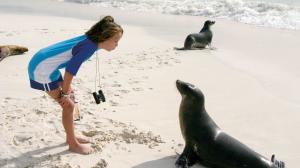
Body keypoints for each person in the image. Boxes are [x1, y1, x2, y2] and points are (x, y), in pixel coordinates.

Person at [27, 16, 123, 154]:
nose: (116, 45)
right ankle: (72, 144)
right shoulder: (88, 48)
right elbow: (70, 70)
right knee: (69, 105)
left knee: (70, 98)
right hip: (41, 69)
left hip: (47, 64)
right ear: (104, 37)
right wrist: (65, 93)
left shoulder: (91, 42)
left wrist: (68, 91)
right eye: (115, 41)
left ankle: (70, 136)